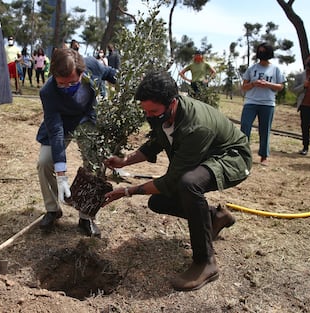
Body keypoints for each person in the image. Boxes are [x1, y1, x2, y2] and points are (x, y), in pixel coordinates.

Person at [102, 70, 252, 292]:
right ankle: (214, 218)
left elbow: (172, 180)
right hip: (209, 155)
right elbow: (155, 143)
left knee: (188, 184)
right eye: (146, 111)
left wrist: (127, 191)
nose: (149, 116)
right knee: (158, 202)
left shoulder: (195, 126)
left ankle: (205, 262)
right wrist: (125, 162)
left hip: (232, 158)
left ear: (171, 103)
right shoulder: (167, 114)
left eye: (153, 111)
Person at [36, 48, 116, 238]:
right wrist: (62, 175)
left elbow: (110, 74)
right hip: (61, 123)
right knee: (44, 162)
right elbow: (56, 132)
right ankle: (53, 209)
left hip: (87, 119)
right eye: (61, 84)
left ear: (82, 72)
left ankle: (86, 217)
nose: (67, 88)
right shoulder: (48, 92)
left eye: (72, 83)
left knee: (94, 163)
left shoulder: (93, 66)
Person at [240, 42, 285, 165]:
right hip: (251, 102)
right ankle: (243, 154)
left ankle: (264, 155)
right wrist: (253, 84)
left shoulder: (275, 69)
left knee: (264, 130)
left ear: (269, 53)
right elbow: (244, 87)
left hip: (268, 104)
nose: (261, 53)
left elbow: (280, 86)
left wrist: (268, 84)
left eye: (264, 51)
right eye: (259, 51)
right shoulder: (252, 68)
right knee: (245, 126)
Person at [292, 53, 310, 156]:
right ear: (306, 61)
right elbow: (294, 90)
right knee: (305, 127)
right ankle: (305, 147)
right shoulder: (300, 75)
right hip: (305, 105)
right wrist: (304, 85)